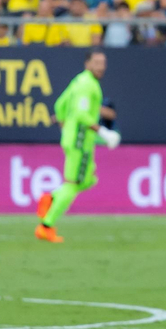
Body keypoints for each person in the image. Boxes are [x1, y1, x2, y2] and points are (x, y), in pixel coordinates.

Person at [36, 49, 117, 243]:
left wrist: (64, 123)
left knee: (88, 179)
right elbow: (82, 115)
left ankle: (52, 198)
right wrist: (103, 132)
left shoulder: (79, 81)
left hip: (74, 138)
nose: (100, 67)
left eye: (103, 63)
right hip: (81, 141)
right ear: (87, 63)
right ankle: (46, 226)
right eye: (96, 62)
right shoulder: (87, 86)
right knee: (73, 185)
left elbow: (59, 104)